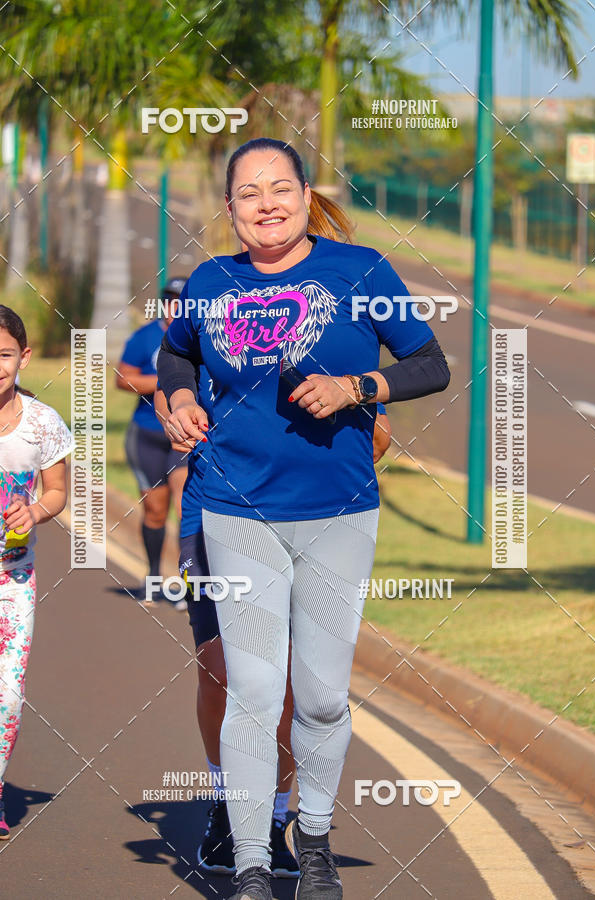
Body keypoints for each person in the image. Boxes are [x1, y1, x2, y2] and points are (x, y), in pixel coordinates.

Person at [157, 137, 450, 900]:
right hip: (235, 509)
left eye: (279, 189)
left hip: (338, 513)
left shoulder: (360, 272)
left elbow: (430, 363)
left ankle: (312, 838)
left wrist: (358, 386)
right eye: (249, 194)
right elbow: (176, 356)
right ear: (230, 210)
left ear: (304, 193)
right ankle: (253, 860)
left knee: (319, 695)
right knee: (255, 688)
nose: (266, 205)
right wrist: (182, 399)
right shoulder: (212, 282)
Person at [154, 373, 390, 879]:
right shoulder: (214, 308)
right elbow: (171, 382)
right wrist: (176, 412)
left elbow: (376, 432)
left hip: (302, 517)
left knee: (284, 677)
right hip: (217, 511)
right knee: (223, 668)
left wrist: (359, 422)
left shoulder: (318, 328)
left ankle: (277, 817)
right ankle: (228, 801)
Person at [0, 306, 73, 840]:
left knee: (6, 694)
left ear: (23, 357)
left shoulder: (43, 421)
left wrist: (34, 511)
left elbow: (56, 492)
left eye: (3, 355)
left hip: (12, 579)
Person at [116, 278, 189, 606]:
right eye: (171, 300)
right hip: (146, 434)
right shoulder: (144, 337)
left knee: (185, 508)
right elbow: (122, 379)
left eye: (182, 300)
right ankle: (153, 576)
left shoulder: (199, 337)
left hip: (184, 439)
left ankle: (189, 584)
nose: (176, 306)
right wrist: (167, 379)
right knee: (155, 511)